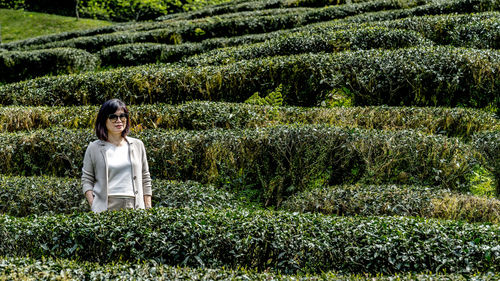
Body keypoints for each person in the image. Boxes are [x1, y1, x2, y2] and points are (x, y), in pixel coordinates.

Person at [82, 99, 152, 213]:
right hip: (106, 206)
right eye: (113, 117)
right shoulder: (94, 148)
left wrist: (148, 207)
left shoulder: (138, 145)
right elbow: (87, 180)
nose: (118, 120)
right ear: (104, 120)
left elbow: (145, 178)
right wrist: (93, 204)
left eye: (122, 116)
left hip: (134, 204)